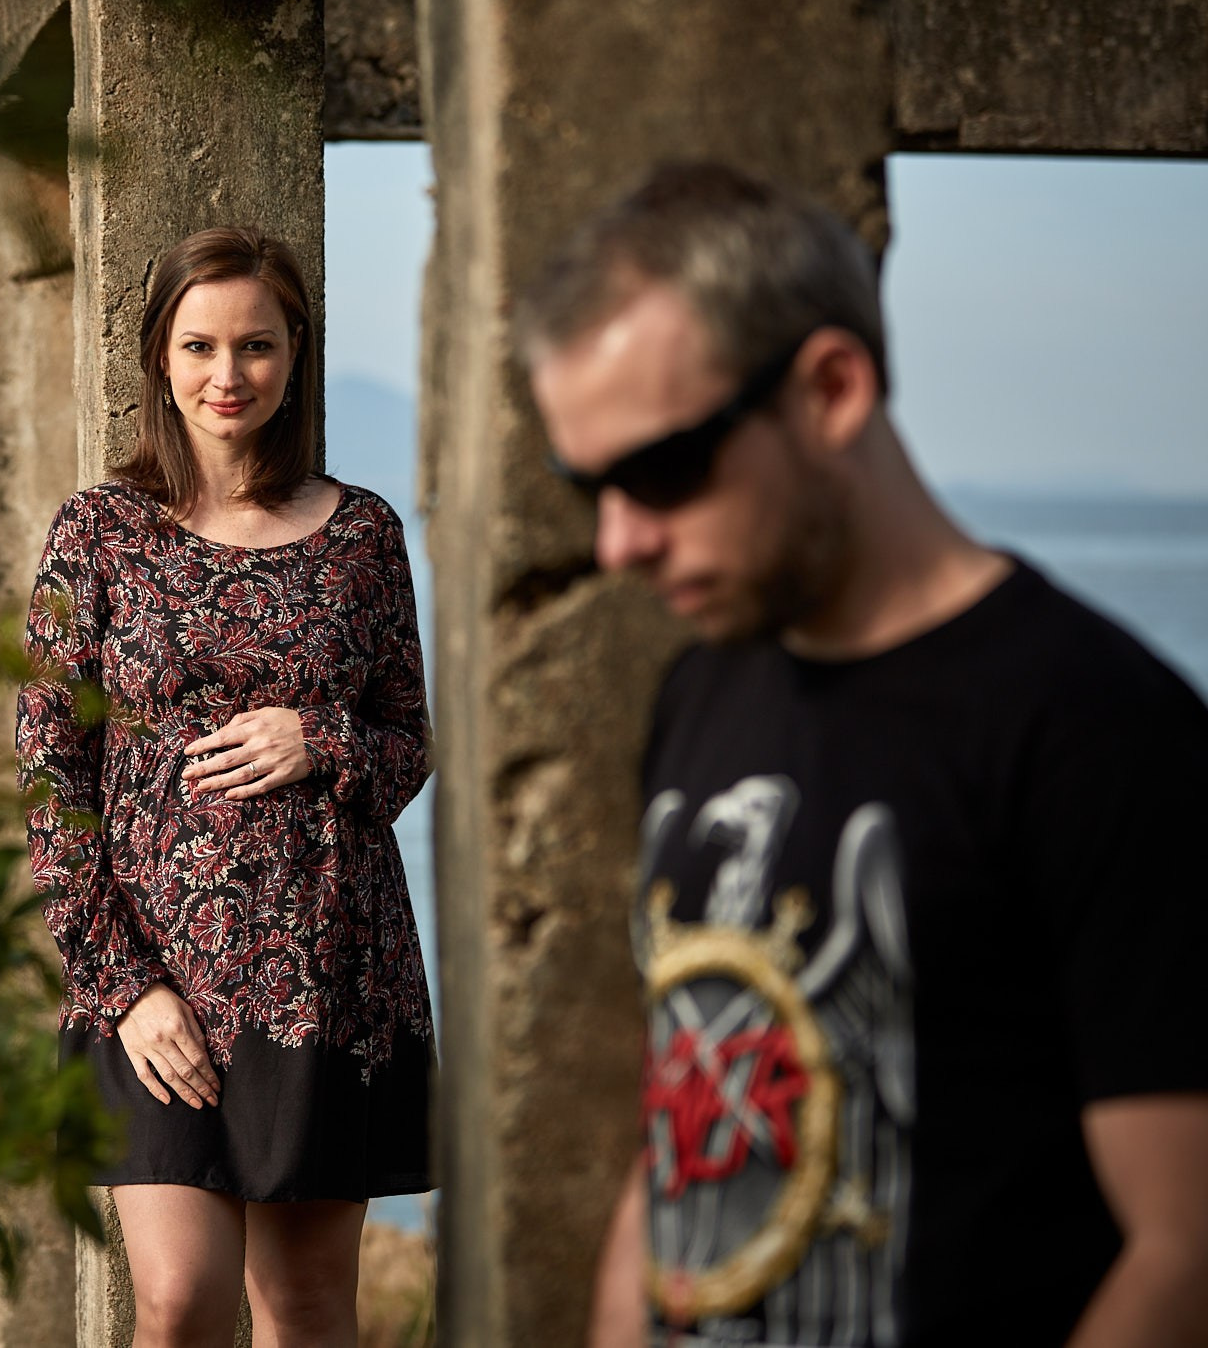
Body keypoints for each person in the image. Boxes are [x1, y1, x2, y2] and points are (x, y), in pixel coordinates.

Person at [517, 162, 1208, 1347]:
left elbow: (1182, 1252)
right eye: (586, 486)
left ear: (831, 389)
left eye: (662, 471)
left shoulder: (1096, 727)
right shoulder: (700, 693)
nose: (617, 541)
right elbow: (681, 1119)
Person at [16, 225, 435, 1347]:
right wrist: (120, 983)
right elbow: (51, 774)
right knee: (178, 1300)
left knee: (304, 1311)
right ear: (159, 355)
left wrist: (321, 740)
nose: (226, 375)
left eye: (254, 345)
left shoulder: (362, 536)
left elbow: (407, 746)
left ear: (294, 352)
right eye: (198, 345)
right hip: (153, 981)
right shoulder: (95, 533)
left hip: (326, 975)